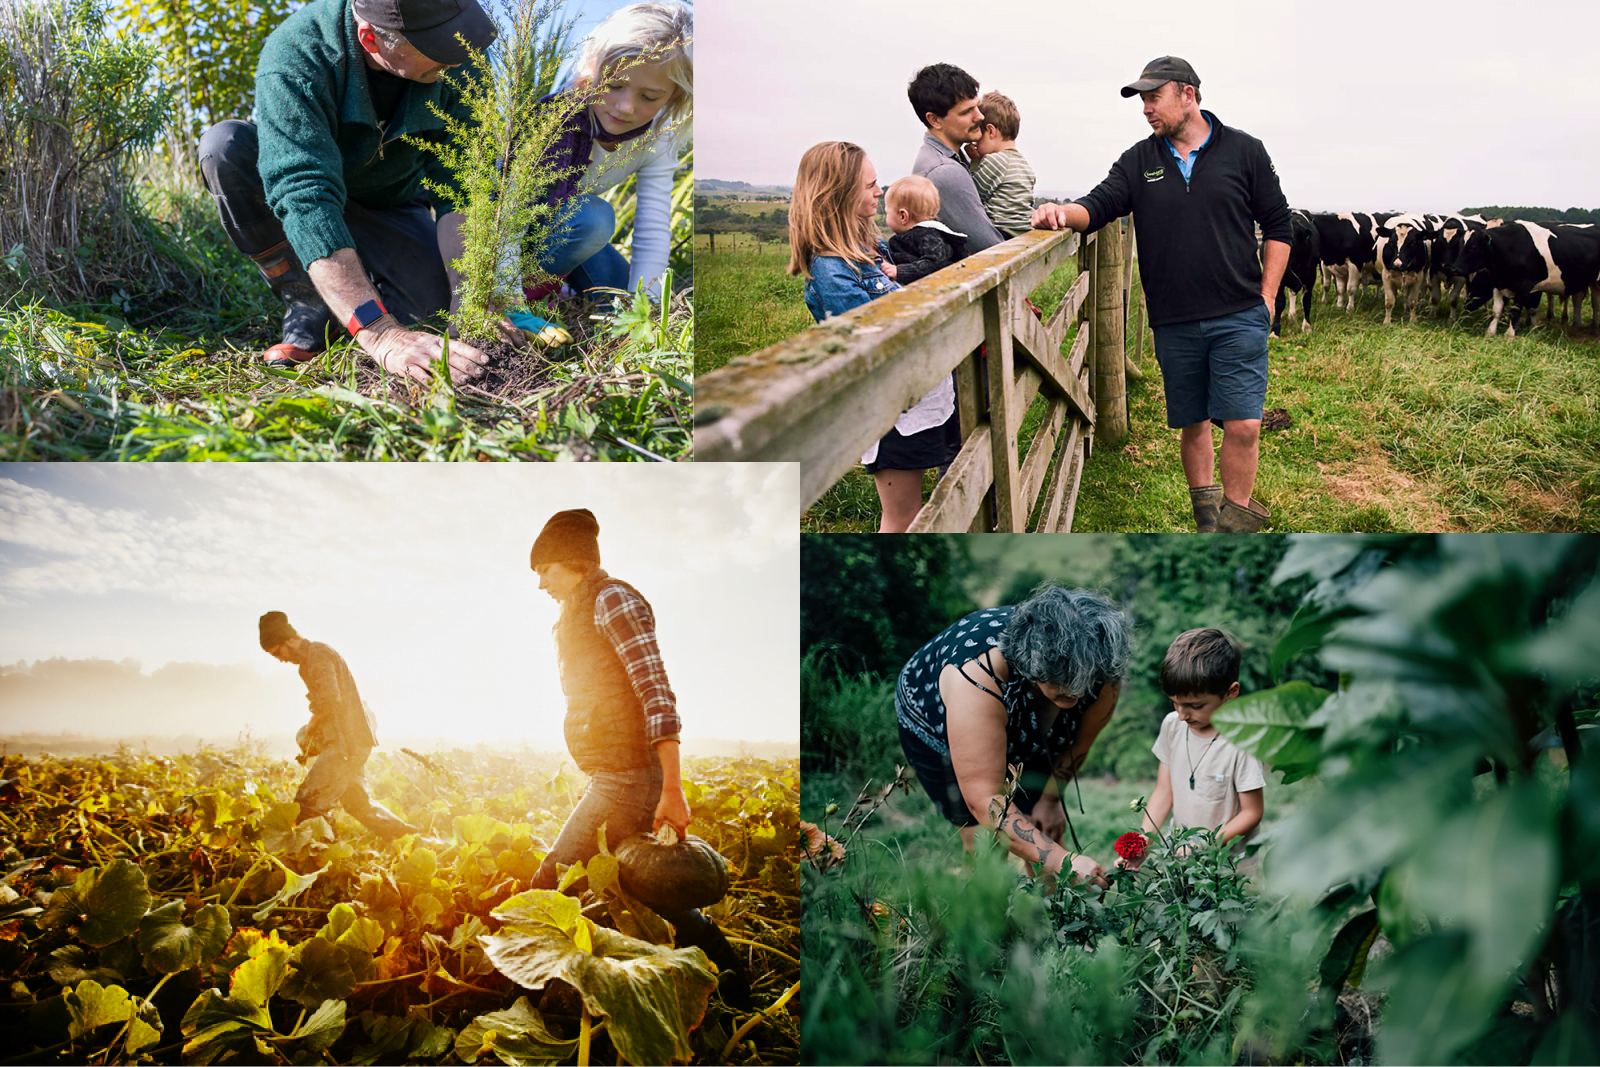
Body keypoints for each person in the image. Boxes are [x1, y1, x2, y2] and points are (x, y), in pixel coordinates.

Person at [198, 0, 534, 381]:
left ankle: (353, 292)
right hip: (312, 196)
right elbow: (305, 196)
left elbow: (463, 186)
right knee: (224, 146)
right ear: (371, 39)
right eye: (436, 47)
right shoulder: (297, 54)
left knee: (434, 313)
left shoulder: (461, 54)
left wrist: (469, 293)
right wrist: (382, 334)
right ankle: (308, 301)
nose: (458, 58)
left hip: (392, 202)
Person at [1031, 57, 1292, 533]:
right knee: (1192, 424)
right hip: (1174, 319)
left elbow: (1279, 224)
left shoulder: (1245, 151)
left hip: (1238, 313)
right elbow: (1099, 205)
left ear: (1188, 94)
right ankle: (1207, 523)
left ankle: (1234, 534)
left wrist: (1268, 298)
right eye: (1142, 100)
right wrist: (1058, 212)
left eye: (1154, 97)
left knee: (1244, 424)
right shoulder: (1139, 161)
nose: (1146, 108)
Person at [526, 508, 751, 1007]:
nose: (539, 583)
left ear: (575, 562)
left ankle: (528, 988)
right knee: (641, 884)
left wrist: (673, 788)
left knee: (552, 882)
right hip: (613, 773)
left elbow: (655, 692)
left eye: (545, 570)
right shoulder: (576, 613)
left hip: (627, 777)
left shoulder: (614, 601)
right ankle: (729, 972)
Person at [895, 586, 1132, 885]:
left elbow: (1080, 743)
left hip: (1029, 720)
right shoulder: (978, 674)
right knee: (984, 838)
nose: (1080, 692)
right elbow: (986, 802)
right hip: (934, 720)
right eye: (1067, 682)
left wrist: (1050, 798)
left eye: (1087, 681)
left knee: (1042, 829)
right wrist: (1063, 860)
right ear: (1035, 665)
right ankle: (984, 917)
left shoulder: (1102, 668)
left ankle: (1054, 921)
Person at [787, 142, 961, 533]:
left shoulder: (871, 249)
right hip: (891, 413)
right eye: (870, 185)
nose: (879, 192)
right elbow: (872, 342)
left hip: (918, 399)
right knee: (903, 519)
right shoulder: (832, 269)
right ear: (838, 194)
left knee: (919, 512)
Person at [532, 2, 693, 308]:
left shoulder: (659, 137)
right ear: (591, 68)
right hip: (514, 231)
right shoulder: (554, 119)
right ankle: (532, 292)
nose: (625, 107)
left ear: (674, 95)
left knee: (622, 296)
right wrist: (504, 294)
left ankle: (562, 283)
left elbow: (653, 223)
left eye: (649, 96)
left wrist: (646, 306)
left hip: (568, 234)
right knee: (595, 218)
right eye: (615, 84)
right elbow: (505, 213)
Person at [259, 611, 418, 844]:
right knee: (358, 803)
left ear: (289, 639)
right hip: (353, 741)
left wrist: (312, 724)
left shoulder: (317, 655)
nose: (280, 659)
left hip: (346, 743)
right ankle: (414, 839)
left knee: (308, 804)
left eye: (278, 652)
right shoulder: (310, 660)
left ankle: (320, 860)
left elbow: (329, 698)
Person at [1121, 629, 1265, 869]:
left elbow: (1252, 813)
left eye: (1195, 705)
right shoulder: (1172, 726)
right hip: (1182, 865)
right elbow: (1164, 792)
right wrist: (1144, 840)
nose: (1182, 715)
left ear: (1231, 692)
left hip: (1228, 874)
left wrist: (1204, 845)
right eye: (1175, 703)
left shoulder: (1242, 742)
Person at [908, 63, 1007, 255]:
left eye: (976, 106)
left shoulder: (946, 159)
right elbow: (991, 248)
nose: (980, 116)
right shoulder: (944, 171)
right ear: (934, 120)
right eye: (966, 112)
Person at [966, 91, 1037, 239]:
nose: (975, 143)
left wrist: (974, 162)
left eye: (978, 136)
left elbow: (973, 197)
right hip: (1022, 233)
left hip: (1001, 233)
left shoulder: (994, 161)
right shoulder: (1024, 165)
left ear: (991, 131)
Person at [883, 176, 966, 285]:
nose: (886, 216)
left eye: (887, 212)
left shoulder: (930, 237)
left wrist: (899, 271)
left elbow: (934, 264)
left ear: (903, 216)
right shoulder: (914, 236)